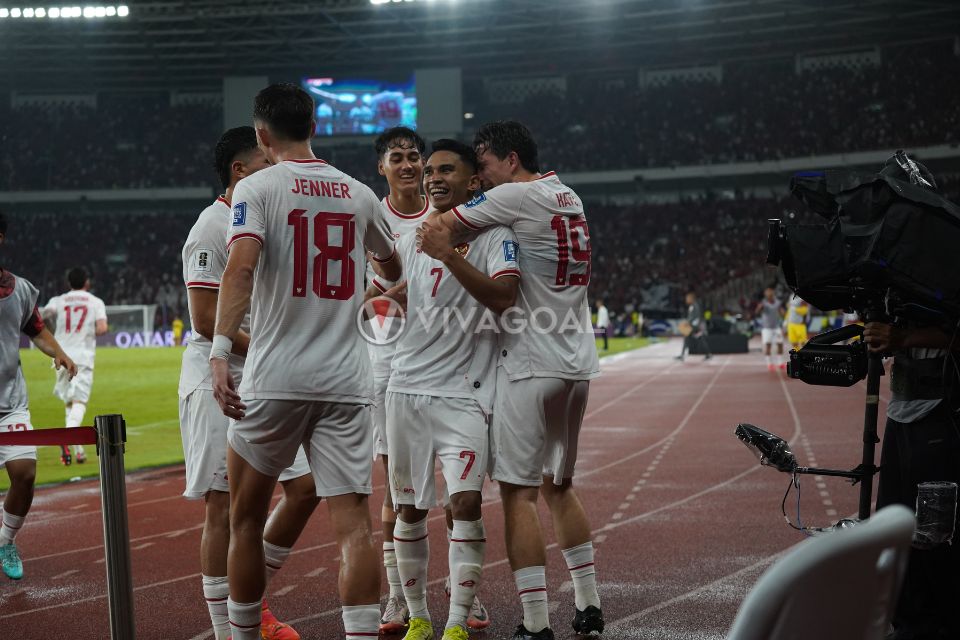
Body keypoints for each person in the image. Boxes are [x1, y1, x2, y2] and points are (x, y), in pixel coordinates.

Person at [209, 83, 401, 640]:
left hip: (275, 377)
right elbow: (390, 272)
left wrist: (221, 352)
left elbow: (240, 270)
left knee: (244, 520)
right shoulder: (359, 193)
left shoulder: (257, 187)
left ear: (262, 135)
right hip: (346, 380)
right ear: (314, 124)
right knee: (354, 529)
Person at [419, 121, 603, 640]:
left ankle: (536, 622)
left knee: (519, 495)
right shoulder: (569, 196)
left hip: (529, 360)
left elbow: (440, 229)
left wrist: (443, 240)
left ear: (512, 159)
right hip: (576, 363)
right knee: (560, 486)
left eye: (485, 162)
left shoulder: (516, 196)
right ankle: (588, 605)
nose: (481, 172)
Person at [180, 126, 322, 640]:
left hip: (267, 377)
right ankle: (230, 629)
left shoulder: (265, 218)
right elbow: (203, 317)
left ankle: (248, 599)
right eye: (266, 164)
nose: (276, 172)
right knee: (226, 507)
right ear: (240, 171)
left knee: (305, 489)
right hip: (219, 381)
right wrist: (271, 347)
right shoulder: (211, 226)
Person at [386, 139, 518, 640]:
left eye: (447, 170)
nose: (434, 177)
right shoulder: (416, 237)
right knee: (409, 508)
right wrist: (389, 298)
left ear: (474, 182)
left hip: (463, 394)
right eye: (431, 170)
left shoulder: (495, 235)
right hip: (405, 389)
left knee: (464, 504)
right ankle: (419, 616)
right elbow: (405, 292)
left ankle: (457, 622)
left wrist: (449, 255)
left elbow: (505, 297)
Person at [862, 160, 959, 640]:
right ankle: (904, 621)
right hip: (902, 413)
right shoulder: (897, 263)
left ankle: (934, 623)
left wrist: (901, 337)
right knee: (894, 526)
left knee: (932, 535)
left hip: (941, 413)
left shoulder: (950, 252)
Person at [364, 126, 429, 635]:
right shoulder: (371, 215)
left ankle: (461, 590)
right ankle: (397, 596)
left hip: (445, 356)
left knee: (454, 487)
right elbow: (360, 289)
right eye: (397, 158)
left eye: (414, 156)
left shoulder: (444, 212)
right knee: (395, 483)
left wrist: (403, 292)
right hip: (386, 358)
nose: (407, 165)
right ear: (381, 168)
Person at [0, 210, 77, 581]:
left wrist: (58, 351)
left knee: (25, 472)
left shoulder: (20, 289)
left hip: (9, 402)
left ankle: (6, 540)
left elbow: (37, 330)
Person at [41, 267, 107, 465]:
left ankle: (77, 451)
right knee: (79, 402)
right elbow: (102, 328)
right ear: (86, 282)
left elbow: (43, 316)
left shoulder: (58, 301)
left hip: (60, 355)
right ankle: (67, 439)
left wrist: (55, 331)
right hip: (82, 357)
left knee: (69, 402)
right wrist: (86, 331)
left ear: (68, 283)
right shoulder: (95, 302)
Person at [755, 287, 785, 371]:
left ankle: (780, 363)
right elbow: (756, 312)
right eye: (768, 295)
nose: (770, 296)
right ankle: (769, 364)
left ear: (773, 295)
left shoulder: (778, 302)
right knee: (768, 346)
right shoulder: (763, 303)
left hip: (776, 327)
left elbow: (782, 313)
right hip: (767, 328)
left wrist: (782, 312)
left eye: (771, 295)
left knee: (780, 344)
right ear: (766, 296)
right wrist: (759, 308)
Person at [677, 291, 712, 362]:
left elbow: (696, 317)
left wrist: (689, 323)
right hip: (694, 326)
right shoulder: (693, 305)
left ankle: (682, 355)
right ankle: (708, 354)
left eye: (687, 298)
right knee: (700, 339)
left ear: (691, 298)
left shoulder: (694, 306)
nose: (686, 299)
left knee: (687, 339)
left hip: (693, 326)